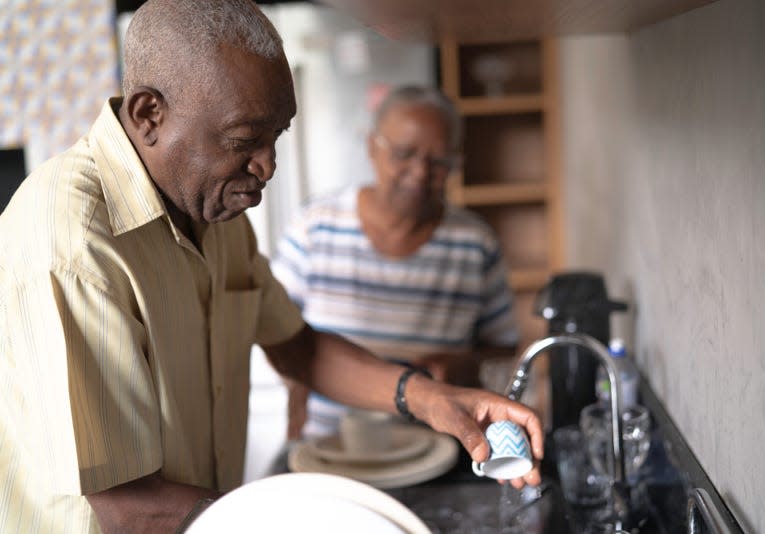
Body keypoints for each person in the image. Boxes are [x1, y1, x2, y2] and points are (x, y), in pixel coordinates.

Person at [0, 1, 543, 532]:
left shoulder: (213, 209)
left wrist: (430, 397)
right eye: (244, 141)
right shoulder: (72, 245)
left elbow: (298, 345)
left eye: (276, 137)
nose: (267, 165)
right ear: (149, 115)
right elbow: (128, 507)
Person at [271, 86, 520, 439]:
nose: (420, 172)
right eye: (404, 153)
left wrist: (462, 365)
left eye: (439, 162)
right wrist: (294, 382)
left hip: (434, 449)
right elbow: (272, 330)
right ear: (373, 145)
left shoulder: (475, 243)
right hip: (331, 447)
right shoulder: (314, 226)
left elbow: (503, 346)